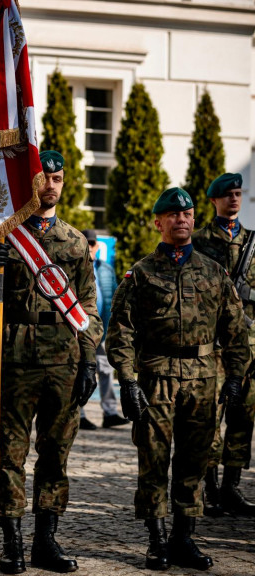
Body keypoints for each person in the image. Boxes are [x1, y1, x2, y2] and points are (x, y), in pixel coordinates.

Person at [0, 151, 102, 575]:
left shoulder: (75, 241)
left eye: (58, 178)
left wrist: (89, 360)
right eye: (44, 178)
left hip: (63, 359)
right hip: (15, 358)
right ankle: (10, 542)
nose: (51, 185)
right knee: (8, 454)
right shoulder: (4, 237)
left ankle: (46, 539)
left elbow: (88, 306)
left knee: (54, 454)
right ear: (31, 183)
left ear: (64, 184)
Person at [106, 187, 249, 572]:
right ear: (159, 222)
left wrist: (235, 376)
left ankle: (183, 538)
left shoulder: (213, 271)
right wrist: (128, 380)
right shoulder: (141, 274)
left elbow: (235, 329)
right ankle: (156, 541)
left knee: (194, 464)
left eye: (186, 214)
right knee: (153, 462)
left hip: (204, 381)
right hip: (156, 380)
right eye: (172, 215)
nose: (181, 219)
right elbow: (120, 331)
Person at [192, 172, 255, 516]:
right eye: (227, 194)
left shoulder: (254, 243)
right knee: (209, 417)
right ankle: (210, 486)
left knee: (243, 417)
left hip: (248, 347)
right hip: (211, 346)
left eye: (237, 193)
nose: (234, 199)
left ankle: (232, 487)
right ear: (214, 199)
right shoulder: (199, 242)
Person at [79, 229, 127, 429]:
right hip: (81, 330)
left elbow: (115, 297)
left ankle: (110, 413)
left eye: (92, 244)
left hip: (104, 328)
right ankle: (79, 414)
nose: (90, 247)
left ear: (97, 246)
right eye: (86, 243)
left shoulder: (106, 269)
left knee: (106, 370)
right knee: (80, 370)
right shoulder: (75, 267)